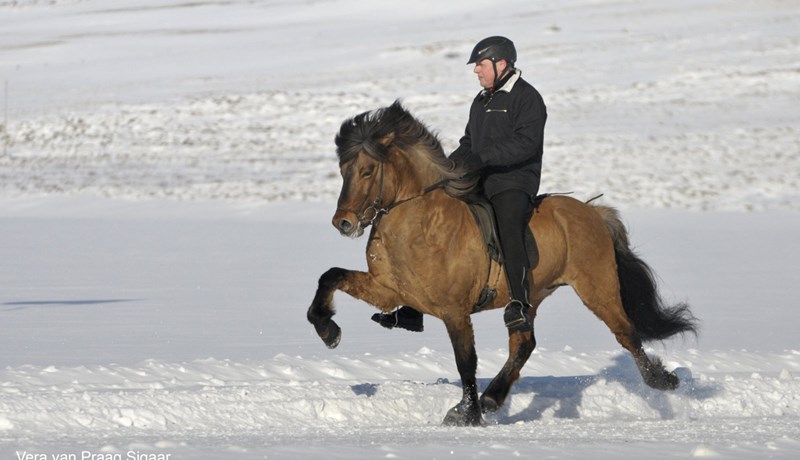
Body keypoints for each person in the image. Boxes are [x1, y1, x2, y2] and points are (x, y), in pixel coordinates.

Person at [372, 36, 547, 333]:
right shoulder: (481, 101)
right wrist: (446, 168)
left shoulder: (527, 97)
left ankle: (518, 302)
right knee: (435, 219)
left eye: (480, 64)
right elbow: (469, 142)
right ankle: (415, 308)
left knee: (507, 222)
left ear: (501, 63)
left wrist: (483, 156)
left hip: (514, 181)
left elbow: (526, 144)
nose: (476, 70)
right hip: (481, 176)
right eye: (476, 65)